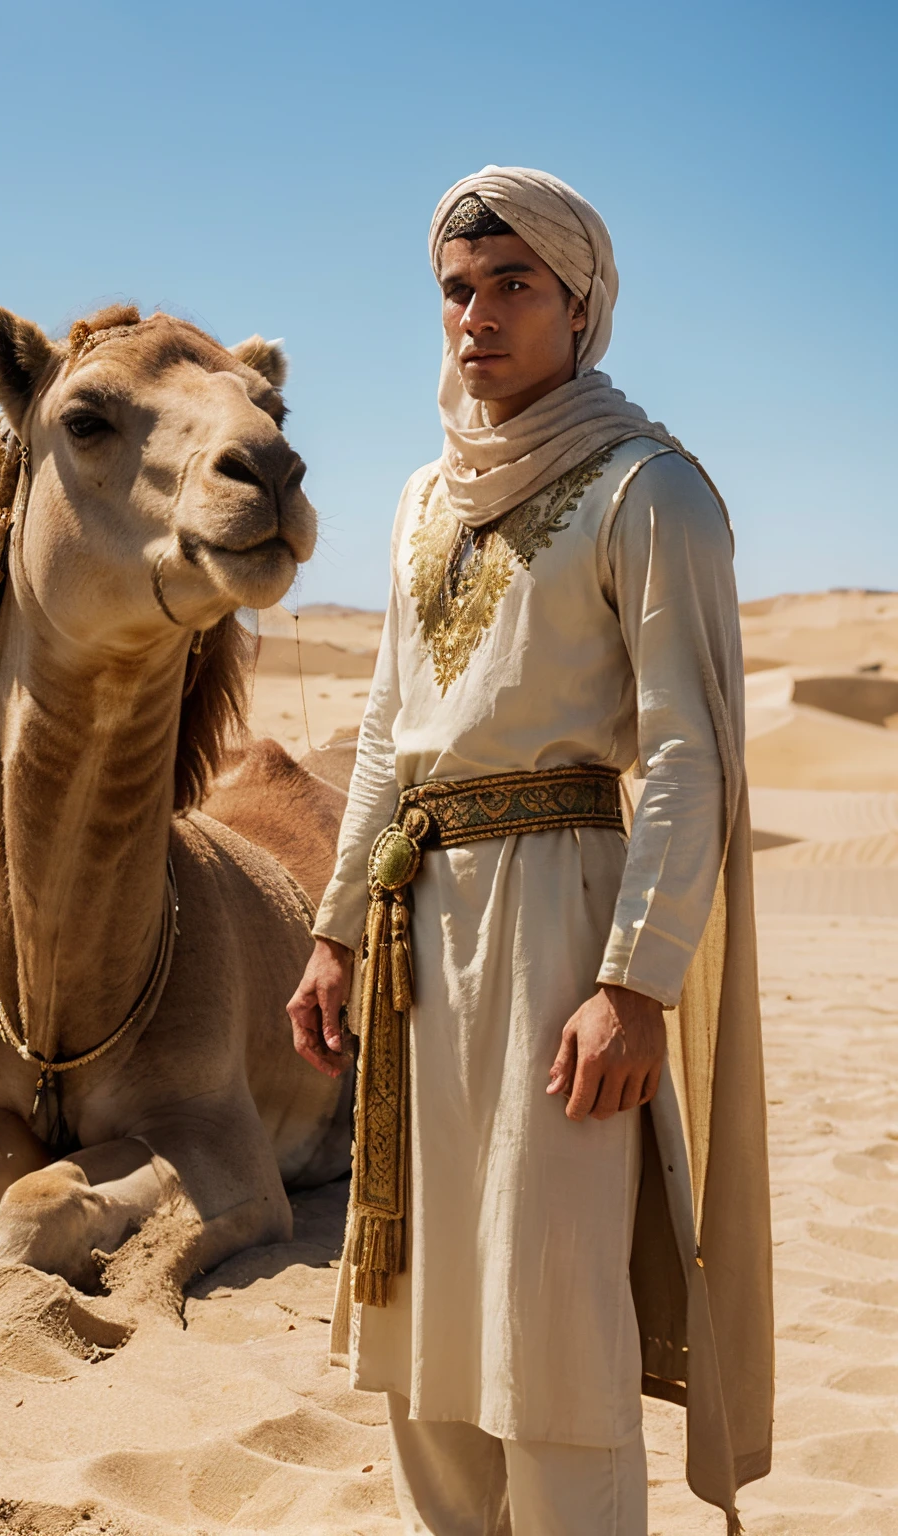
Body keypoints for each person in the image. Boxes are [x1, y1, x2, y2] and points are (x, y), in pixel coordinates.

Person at [287, 166, 772, 1536]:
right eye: (457, 288)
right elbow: (388, 733)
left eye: (513, 285)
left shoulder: (649, 490)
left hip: (565, 929)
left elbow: (689, 756)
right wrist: (331, 931)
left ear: (581, 305)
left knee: (553, 1322)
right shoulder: (416, 502)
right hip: (413, 944)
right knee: (423, 1315)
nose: (477, 316)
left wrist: (637, 983)